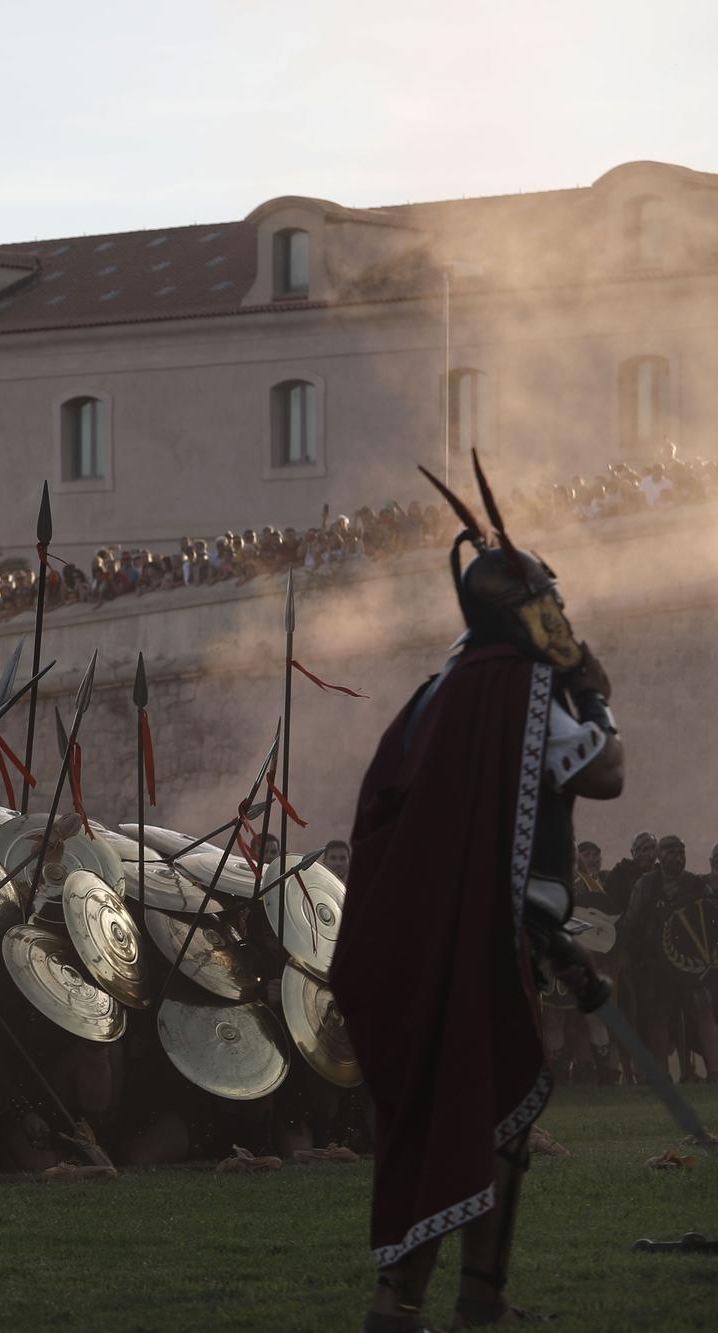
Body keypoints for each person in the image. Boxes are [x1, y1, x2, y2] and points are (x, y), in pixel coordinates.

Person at [330, 458, 624, 1331]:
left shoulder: (439, 690)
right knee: (473, 1121)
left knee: (480, 1124)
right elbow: (605, 771)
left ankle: (471, 1298)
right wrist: (595, 691)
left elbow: (474, 850)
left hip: (425, 942)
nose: (562, 621)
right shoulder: (524, 690)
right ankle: (409, 1302)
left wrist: (557, 950)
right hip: (467, 951)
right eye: (553, 608)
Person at [621, 835, 717, 1080]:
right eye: (672, 852)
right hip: (656, 963)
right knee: (658, 1016)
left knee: (704, 1009)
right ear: (661, 856)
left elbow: (711, 918)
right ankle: (661, 1073)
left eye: (681, 852)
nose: (677, 857)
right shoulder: (646, 885)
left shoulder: (696, 885)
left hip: (692, 966)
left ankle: (715, 1071)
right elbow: (631, 925)